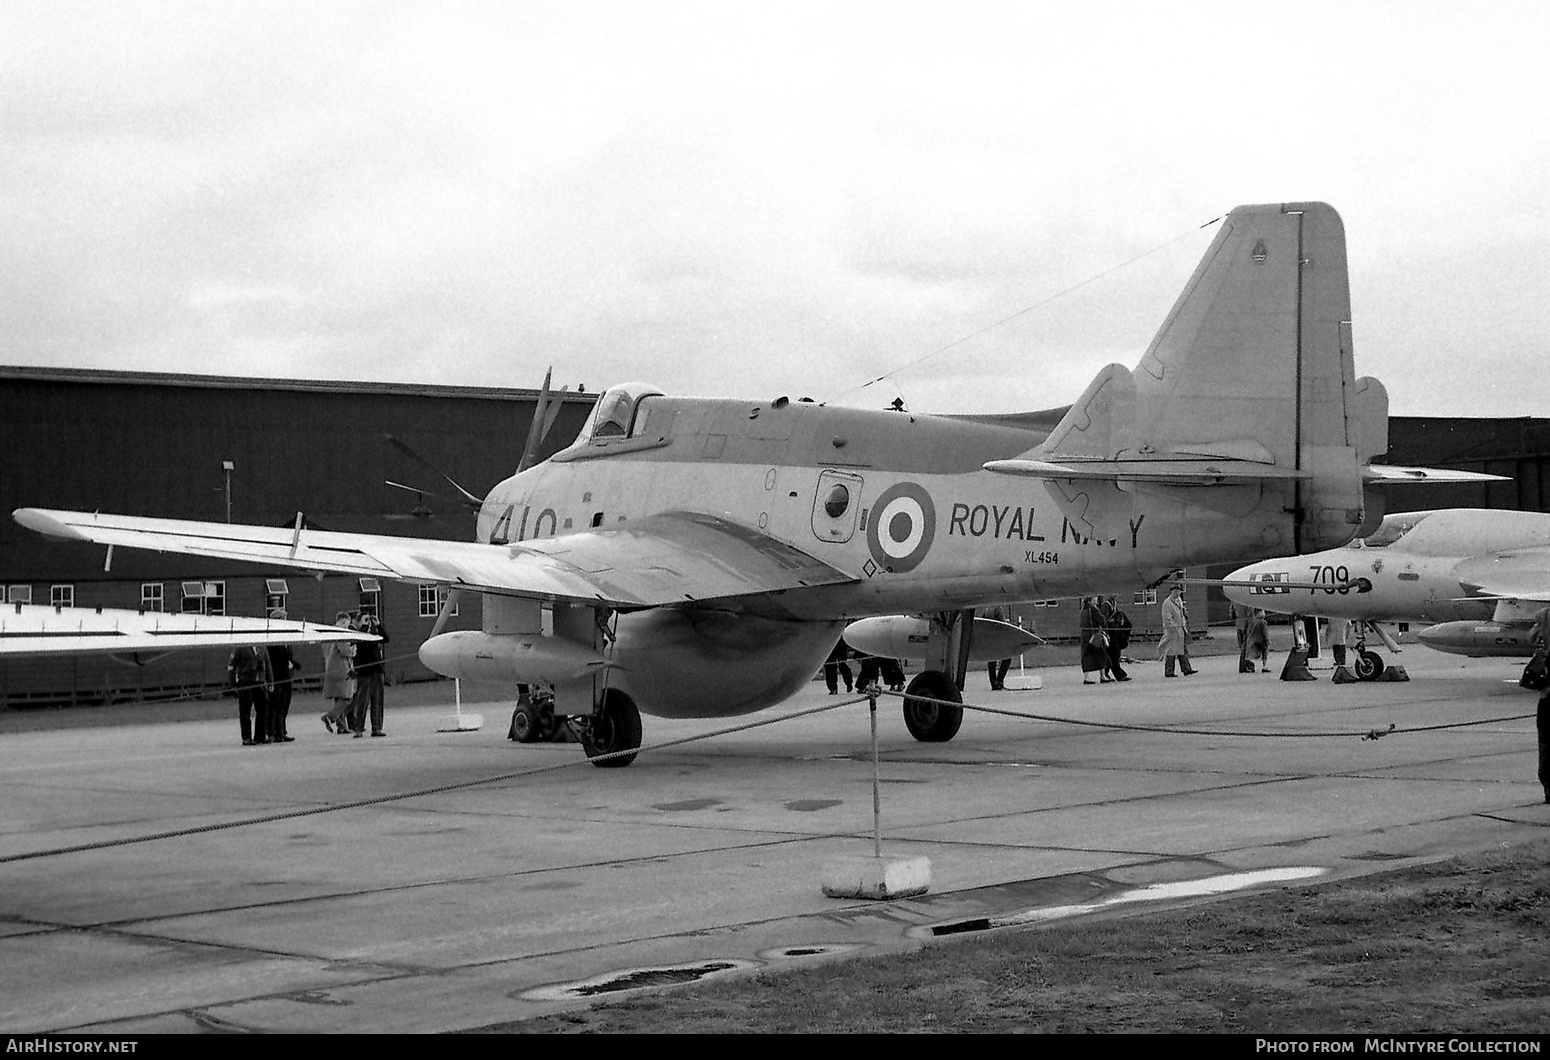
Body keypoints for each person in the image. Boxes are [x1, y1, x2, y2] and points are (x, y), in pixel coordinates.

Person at [348, 613, 389, 737]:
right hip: (365, 672)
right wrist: (364, 627)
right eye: (365, 619)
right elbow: (365, 644)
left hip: (377, 670)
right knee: (363, 701)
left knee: (377, 700)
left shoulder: (374, 632)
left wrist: (378, 625)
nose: (368, 622)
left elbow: (385, 639)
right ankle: (358, 728)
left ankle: (377, 728)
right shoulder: (358, 634)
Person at [228, 642, 274, 746]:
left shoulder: (263, 646)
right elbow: (231, 666)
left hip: (260, 682)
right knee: (245, 711)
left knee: (263, 710)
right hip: (246, 682)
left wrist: (270, 681)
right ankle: (246, 738)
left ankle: (260, 736)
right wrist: (233, 684)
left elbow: (268, 664)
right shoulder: (240, 647)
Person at [320, 612, 357, 734]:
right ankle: (330, 716)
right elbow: (345, 651)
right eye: (347, 623)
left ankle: (341, 726)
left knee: (338, 698)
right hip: (342, 670)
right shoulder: (340, 633)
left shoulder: (327, 634)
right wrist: (353, 649)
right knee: (348, 697)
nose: (348, 626)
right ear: (342, 621)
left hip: (330, 669)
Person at [265, 609, 299, 742]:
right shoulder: (272, 637)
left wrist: (293, 664)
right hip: (277, 676)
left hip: (286, 676)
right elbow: (273, 659)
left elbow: (288, 655)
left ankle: (281, 732)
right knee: (274, 705)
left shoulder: (286, 636)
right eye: (283, 618)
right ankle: (272, 732)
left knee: (284, 705)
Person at [1160, 584, 1196, 677]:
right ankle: (1169, 671)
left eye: (1178, 591)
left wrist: (1184, 625)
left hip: (1181, 629)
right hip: (1172, 631)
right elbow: (1167, 618)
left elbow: (1181, 615)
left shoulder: (1179, 601)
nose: (1177, 592)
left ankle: (1186, 669)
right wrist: (1175, 628)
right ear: (1171, 591)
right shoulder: (1167, 603)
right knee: (1171, 651)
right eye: (1175, 591)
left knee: (1182, 650)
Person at [1079, 597, 1108, 685]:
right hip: (1094, 635)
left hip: (1084, 635)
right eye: (1094, 597)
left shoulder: (1083, 609)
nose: (1096, 599)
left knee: (1086, 656)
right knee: (1100, 654)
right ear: (1091, 600)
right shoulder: (1093, 609)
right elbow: (1101, 621)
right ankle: (1103, 676)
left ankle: (1087, 678)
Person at [1101, 596, 1131, 682]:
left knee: (1112, 656)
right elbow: (1104, 620)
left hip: (1115, 634)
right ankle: (1119, 675)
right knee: (1113, 656)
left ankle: (1106, 674)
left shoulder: (1113, 605)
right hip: (1111, 634)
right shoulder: (1106, 606)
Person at [984, 603, 1013, 691]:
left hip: (990, 637)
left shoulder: (987, 609)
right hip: (999, 638)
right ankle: (999, 681)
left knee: (992, 660)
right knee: (1007, 659)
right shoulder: (998, 609)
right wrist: (1007, 622)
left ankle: (993, 683)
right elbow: (1001, 624)